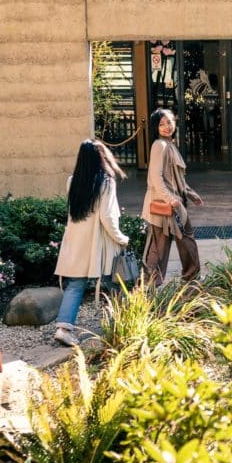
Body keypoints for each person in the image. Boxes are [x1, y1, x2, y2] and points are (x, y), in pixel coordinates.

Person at [53, 139, 129, 347]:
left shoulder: (72, 181)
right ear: (101, 158)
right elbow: (107, 217)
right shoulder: (106, 183)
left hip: (76, 241)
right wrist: (121, 238)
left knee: (75, 285)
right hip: (99, 242)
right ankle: (121, 324)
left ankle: (63, 329)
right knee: (114, 282)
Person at [142, 108, 203, 285]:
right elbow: (156, 177)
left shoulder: (169, 145)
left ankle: (190, 278)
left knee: (183, 241)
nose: (167, 127)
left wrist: (191, 195)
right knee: (159, 249)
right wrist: (170, 199)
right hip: (163, 205)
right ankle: (149, 287)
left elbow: (177, 179)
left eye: (169, 122)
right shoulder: (159, 145)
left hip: (174, 203)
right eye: (161, 124)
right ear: (156, 127)